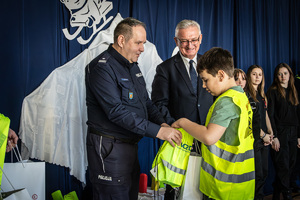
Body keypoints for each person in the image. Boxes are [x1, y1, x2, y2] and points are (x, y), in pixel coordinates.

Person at [84, 17, 182, 200]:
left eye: (143, 43)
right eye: (138, 43)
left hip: (129, 149)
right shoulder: (101, 68)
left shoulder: (132, 67)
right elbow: (116, 112)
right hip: (109, 150)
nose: (142, 49)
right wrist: (159, 132)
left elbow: (146, 103)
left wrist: (164, 124)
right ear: (121, 40)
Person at [172, 47, 255, 200]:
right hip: (240, 185)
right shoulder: (240, 96)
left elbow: (210, 137)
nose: (204, 86)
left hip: (223, 187)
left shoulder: (227, 101)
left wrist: (183, 122)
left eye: (205, 80)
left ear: (221, 75)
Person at [151, 19, 213, 199]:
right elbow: (158, 104)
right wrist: (172, 127)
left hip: (208, 137)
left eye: (194, 40)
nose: (190, 45)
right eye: (184, 40)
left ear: (200, 39)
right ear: (176, 41)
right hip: (179, 140)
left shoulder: (210, 65)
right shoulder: (165, 69)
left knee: (204, 188)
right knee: (176, 189)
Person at [267, 63, 300, 200]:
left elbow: (298, 115)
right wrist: (274, 136)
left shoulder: (294, 90)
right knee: (283, 167)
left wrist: (298, 136)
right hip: (280, 132)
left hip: (293, 132)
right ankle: (287, 196)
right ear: (276, 76)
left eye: (285, 73)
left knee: (291, 164)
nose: (283, 76)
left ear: (290, 74)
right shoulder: (273, 91)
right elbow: (270, 115)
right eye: (280, 74)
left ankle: (276, 191)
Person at [244, 65, 273, 200]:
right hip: (254, 140)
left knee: (265, 173)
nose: (257, 77)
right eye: (254, 74)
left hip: (264, 139)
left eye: (260, 75)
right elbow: (249, 121)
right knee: (258, 175)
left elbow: (265, 115)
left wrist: (271, 133)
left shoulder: (262, 95)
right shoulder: (246, 95)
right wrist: (263, 135)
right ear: (249, 76)